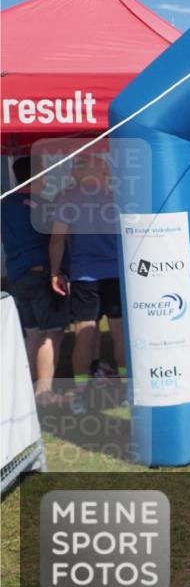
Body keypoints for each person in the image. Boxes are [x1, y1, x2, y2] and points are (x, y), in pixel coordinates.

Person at [49, 154, 126, 414]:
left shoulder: (68, 199)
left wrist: (54, 271)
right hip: (115, 273)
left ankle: (81, 393)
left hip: (84, 274)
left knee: (85, 333)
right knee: (119, 334)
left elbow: (57, 239)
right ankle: (128, 390)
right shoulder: (116, 197)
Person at [1, 157, 69, 407]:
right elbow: (59, 237)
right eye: (44, 174)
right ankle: (45, 391)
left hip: (17, 275)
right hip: (42, 275)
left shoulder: (4, 204)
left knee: (31, 333)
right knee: (52, 333)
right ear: (35, 176)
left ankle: (29, 390)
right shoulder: (44, 205)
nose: (48, 178)